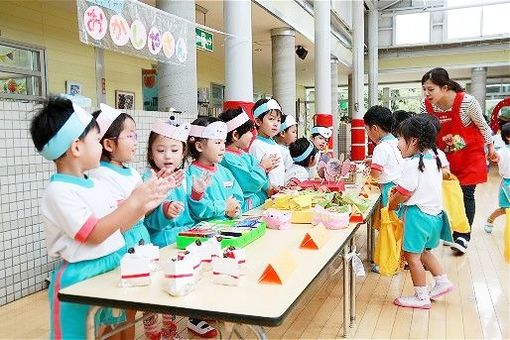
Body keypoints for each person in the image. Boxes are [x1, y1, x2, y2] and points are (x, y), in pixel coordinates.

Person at [29, 96, 171, 339]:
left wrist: (145, 203)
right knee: (75, 334)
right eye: (96, 140)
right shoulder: (59, 192)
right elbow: (94, 234)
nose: (101, 145)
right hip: (78, 277)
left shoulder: (92, 184)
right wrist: (135, 201)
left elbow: (118, 226)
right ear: (76, 147)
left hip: (110, 264)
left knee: (120, 327)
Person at [142, 118, 214, 339]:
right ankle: (154, 334)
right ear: (151, 152)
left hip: (182, 241)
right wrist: (164, 211)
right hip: (160, 242)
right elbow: (146, 218)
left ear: (183, 152)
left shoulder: (185, 176)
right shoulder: (149, 178)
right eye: (160, 150)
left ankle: (170, 332)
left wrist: (197, 194)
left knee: (175, 287)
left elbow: (192, 213)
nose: (167, 156)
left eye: (174, 150)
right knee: (156, 294)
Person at [420, 67, 495, 254]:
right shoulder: (425, 106)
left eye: (431, 89)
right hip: (444, 159)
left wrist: (491, 148)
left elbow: (483, 127)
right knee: (446, 194)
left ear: (445, 88)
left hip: (470, 156)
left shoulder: (467, 102)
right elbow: (424, 131)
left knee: (466, 193)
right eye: (424, 89)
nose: (426, 93)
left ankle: (463, 236)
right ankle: (452, 231)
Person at [389, 115, 454, 309]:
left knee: (412, 257)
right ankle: (442, 282)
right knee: (425, 252)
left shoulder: (411, 164)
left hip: (418, 216)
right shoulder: (434, 157)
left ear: (414, 140)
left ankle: (421, 296)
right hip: (435, 215)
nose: (397, 144)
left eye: (399, 139)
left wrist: (391, 204)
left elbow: (404, 193)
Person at [187, 116, 244, 222]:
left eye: (224, 142)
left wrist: (235, 209)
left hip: (230, 226)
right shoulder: (190, 175)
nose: (223, 147)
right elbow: (196, 209)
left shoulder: (225, 172)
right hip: (204, 233)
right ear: (199, 146)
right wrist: (224, 207)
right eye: (218, 142)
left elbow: (238, 198)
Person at [219, 107, 276, 212]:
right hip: (244, 207)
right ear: (235, 135)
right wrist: (263, 167)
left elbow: (259, 174)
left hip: (258, 202)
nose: (252, 135)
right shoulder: (227, 159)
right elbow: (249, 182)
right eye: (249, 131)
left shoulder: (245, 155)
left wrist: (269, 189)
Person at [364, 105, 404, 207]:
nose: (367, 134)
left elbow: (375, 174)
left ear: (374, 128)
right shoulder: (396, 142)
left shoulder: (381, 147)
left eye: (366, 130)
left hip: (389, 190)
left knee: (389, 219)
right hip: (400, 187)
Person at [249, 98, 284, 188]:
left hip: (277, 193)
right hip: (266, 195)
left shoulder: (273, 143)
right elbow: (258, 172)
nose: (276, 123)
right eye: (271, 119)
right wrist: (268, 189)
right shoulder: (257, 145)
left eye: (278, 120)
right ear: (258, 121)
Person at [484, 122, 510, 233]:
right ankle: (490, 220)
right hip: (507, 183)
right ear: (508, 137)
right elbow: (493, 159)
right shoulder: (501, 152)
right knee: (504, 208)